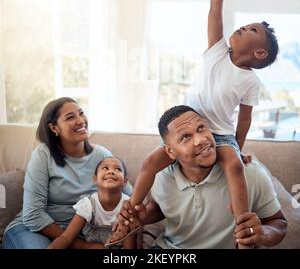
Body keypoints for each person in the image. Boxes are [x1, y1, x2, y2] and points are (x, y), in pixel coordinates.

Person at [106, 0, 279, 247]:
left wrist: (238, 148)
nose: (242, 28)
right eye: (246, 25)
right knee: (149, 162)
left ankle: (242, 233)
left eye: (252, 31)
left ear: (260, 53)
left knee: (235, 166)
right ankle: (128, 211)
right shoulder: (216, 52)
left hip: (221, 136)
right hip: (188, 125)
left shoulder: (250, 82)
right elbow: (215, 7)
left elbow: (244, 120)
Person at [114, 106, 287, 249]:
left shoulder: (250, 174)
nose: (200, 140)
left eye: (201, 128)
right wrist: (144, 215)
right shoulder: (161, 175)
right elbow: (162, 208)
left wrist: (262, 233)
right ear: (170, 151)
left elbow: (279, 223)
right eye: (186, 137)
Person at [2, 97, 131, 249]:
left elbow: (130, 199)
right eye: (70, 117)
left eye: (81, 113)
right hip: (34, 230)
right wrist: (80, 245)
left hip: (81, 233)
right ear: (54, 128)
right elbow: (33, 214)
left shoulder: (103, 156)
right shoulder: (43, 155)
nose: (81, 120)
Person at [48, 157, 136, 249]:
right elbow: (66, 237)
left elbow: (129, 247)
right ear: (95, 179)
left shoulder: (127, 206)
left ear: (125, 181)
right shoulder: (88, 204)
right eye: (105, 168)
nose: (110, 172)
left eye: (117, 169)